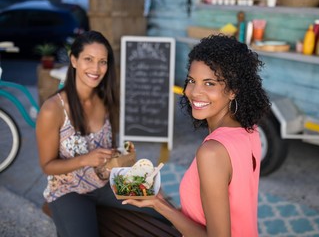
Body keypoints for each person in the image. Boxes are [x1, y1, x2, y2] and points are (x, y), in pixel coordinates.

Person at [122, 34, 271, 236]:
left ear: (234, 90)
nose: (194, 92)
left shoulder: (212, 152)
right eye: (192, 80)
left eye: (209, 83)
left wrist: (159, 204)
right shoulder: (249, 130)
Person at [36, 30, 164, 237]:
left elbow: (108, 152)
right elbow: (47, 166)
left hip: (106, 183)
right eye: (88, 59)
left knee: (162, 209)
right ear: (74, 60)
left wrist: (121, 159)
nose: (96, 68)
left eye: (102, 62)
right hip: (68, 191)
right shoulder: (53, 109)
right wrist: (85, 159)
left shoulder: (106, 100)